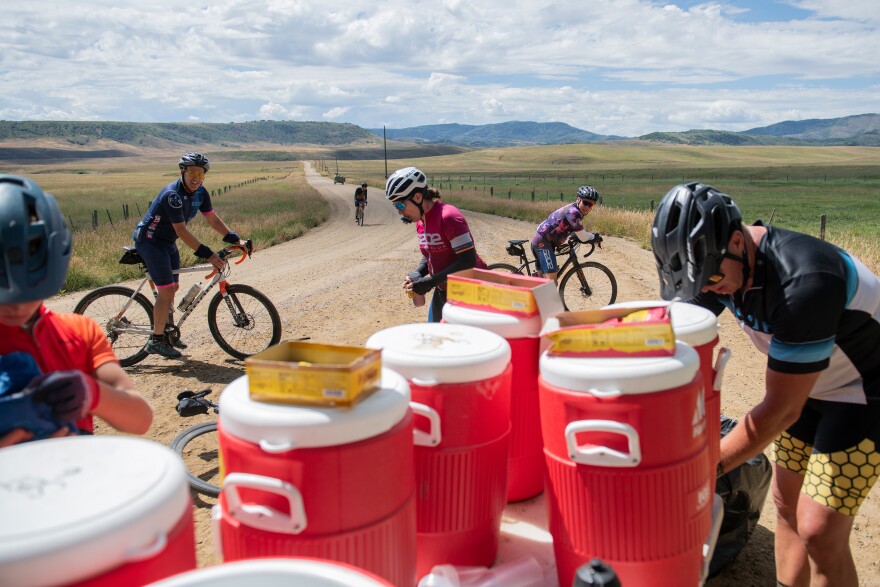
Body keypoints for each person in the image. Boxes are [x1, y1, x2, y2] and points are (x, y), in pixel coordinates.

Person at [651, 182, 880, 587]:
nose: (709, 290)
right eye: (697, 284)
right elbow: (668, 329)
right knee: (786, 507)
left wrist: (702, 469)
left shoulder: (803, 282)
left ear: (737, 240)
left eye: (712, 278)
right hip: (811, 389)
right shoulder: (720, 265)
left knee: (820, 533)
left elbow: (780, 410)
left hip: (864, 394)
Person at [0, 174, 153, 448]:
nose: (16, 305)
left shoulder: (80, 332)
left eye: (28, 289)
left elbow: (140, 419)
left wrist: (90, 391)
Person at [133, 152, 247, 358]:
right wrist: (209, 255)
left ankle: (167, 332)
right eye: (192, 172)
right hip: (150, 241)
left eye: (201, 174)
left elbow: (212, 219)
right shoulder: (173, 196)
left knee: (173, 288)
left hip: (167, 242)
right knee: (166, 291)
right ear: (182, 172)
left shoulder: (201, 193)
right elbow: (182, 231)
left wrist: (235, 239)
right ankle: (156, 340)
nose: (196, 177)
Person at [386, 166, 486, 322]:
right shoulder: (421, 222)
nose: (399, 212)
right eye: (395, 206)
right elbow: (432, 253)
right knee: (436, 340)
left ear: (418, 197)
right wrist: (419, 273)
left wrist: (431, 281)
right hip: (443, 289)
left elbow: (468, 261)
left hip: (468, 292)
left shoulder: (449, 217)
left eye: (400, 205)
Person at [530, 186, 600, 281]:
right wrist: (594, 237)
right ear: (578, 199)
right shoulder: (574, 213)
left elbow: (574, 231)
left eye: (590, 205)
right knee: (552, 283)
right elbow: (583, 236)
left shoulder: (575, 209)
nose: (587, 207)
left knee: (541, 283)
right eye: (585, 202)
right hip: (543, 244)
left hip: (543, 241)